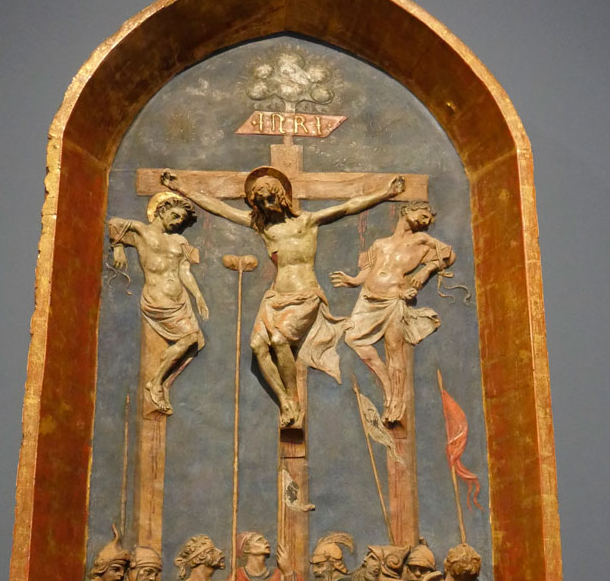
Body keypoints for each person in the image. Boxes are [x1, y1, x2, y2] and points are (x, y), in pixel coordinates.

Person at [160, 165, 405, 426]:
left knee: (279, 339)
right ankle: (285, 401)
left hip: (305, 295)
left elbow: (347, 207)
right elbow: (221, 209)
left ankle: (294, 401)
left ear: (282, 196)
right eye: (261, 202)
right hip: (275, 297)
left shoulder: (307, 221)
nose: (267, 205)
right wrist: (181, 188)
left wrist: (386, 194)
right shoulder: (263, 227)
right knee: (257, 346)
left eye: (270, 198)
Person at [331, 201, 453, 424]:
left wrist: (426, 271)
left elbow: (448, 255)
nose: (426, 222)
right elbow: (369, 270)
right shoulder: (380, 243)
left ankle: (396, 402)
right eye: (423, 215)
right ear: (408, 211)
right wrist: (353, 281)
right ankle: (387, 385)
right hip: (368, 299)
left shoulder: (421, 240)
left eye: (428, 220)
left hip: (393, 299)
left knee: (394, 349)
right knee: (352, 338)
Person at [108, 190, 209, 415]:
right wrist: (118, 247)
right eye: (175, 215)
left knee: (194, 340)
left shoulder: (180, 240)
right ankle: (156, 382)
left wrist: (198, 296)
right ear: (162, 210)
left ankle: (161, 381)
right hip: (157, 298)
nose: (178, 221)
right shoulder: (142, 231)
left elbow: (184, 271)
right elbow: (113, 223)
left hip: (179, 300)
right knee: (190, 337)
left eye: (182, 219)